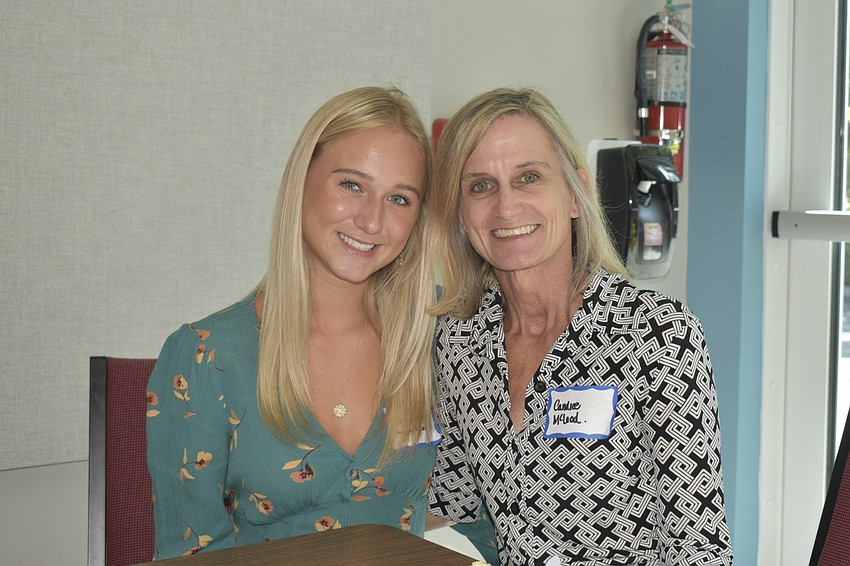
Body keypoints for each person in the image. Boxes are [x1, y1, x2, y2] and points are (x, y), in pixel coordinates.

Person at [425, 88, 734, 566]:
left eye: (528, 177)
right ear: (462, 216)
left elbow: (700, 551)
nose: (505, 207)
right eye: (480, 186)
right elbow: (455, 501)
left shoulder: (656, 335)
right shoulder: (460, 340)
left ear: (574, 194)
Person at [146, 86, 441, 559]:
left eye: (400, 199)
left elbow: (491, 508)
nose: (371, 220)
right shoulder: (206, 356)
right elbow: (190, 554)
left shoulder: (439, 333)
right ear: (301, 182)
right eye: (351, 185)